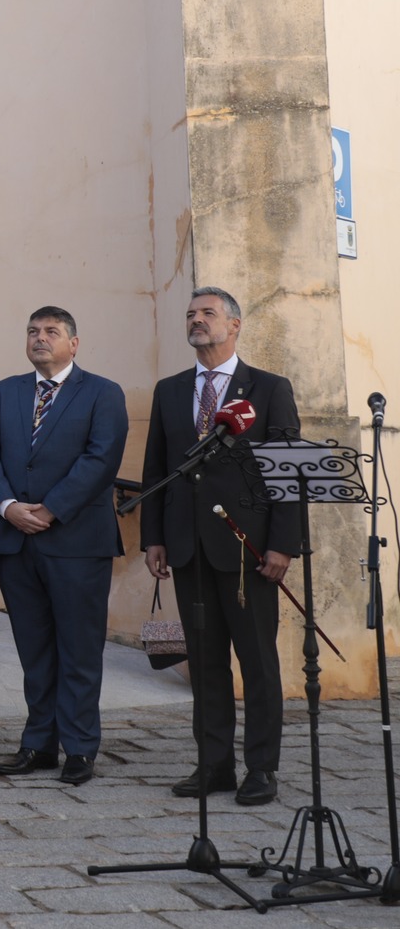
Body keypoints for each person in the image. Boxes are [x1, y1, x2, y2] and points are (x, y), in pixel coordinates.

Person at [139, 287, 298, 807]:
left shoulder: (268, 389)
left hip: (248, 551)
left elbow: (287, 476)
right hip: (188, 548)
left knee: (256, 663)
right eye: (190, 314)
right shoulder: (169, 390)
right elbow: (158, 471)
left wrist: (282, 546)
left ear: (234, 325)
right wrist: (154, 537)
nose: (196, 321)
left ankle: (262, 769)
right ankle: (213, 766)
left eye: (207, 313)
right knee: (205, 664)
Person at [0, 306, 129, 786]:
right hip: (16, 540)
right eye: (33, 331)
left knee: (79, 649)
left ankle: (80, 747)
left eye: (52, 332)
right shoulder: (7, 391)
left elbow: (101, 459)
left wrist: (51, 508)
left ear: (73, 344)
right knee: (34, 649)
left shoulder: (102, 393)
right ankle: (39, 742)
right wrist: (6, 506)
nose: (41, 338)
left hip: (77, 541)